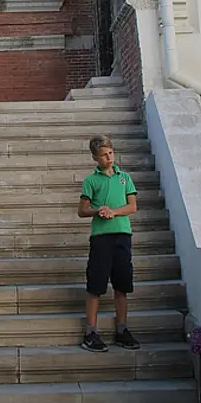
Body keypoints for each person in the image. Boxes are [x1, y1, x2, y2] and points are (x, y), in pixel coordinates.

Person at [78, 134, 140, 352]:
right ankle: (91, 332)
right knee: (95, 284)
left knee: (122, 284)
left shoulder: (125, 178)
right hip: (101, 238)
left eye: (110, 153)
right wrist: (99, 210)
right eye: (103, 155)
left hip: (123, 236)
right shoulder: (91, 180)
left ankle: (122, 329)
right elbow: (82, 210)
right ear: (95, 158)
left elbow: (132, 206)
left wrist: (113, 212)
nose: (109, 158)